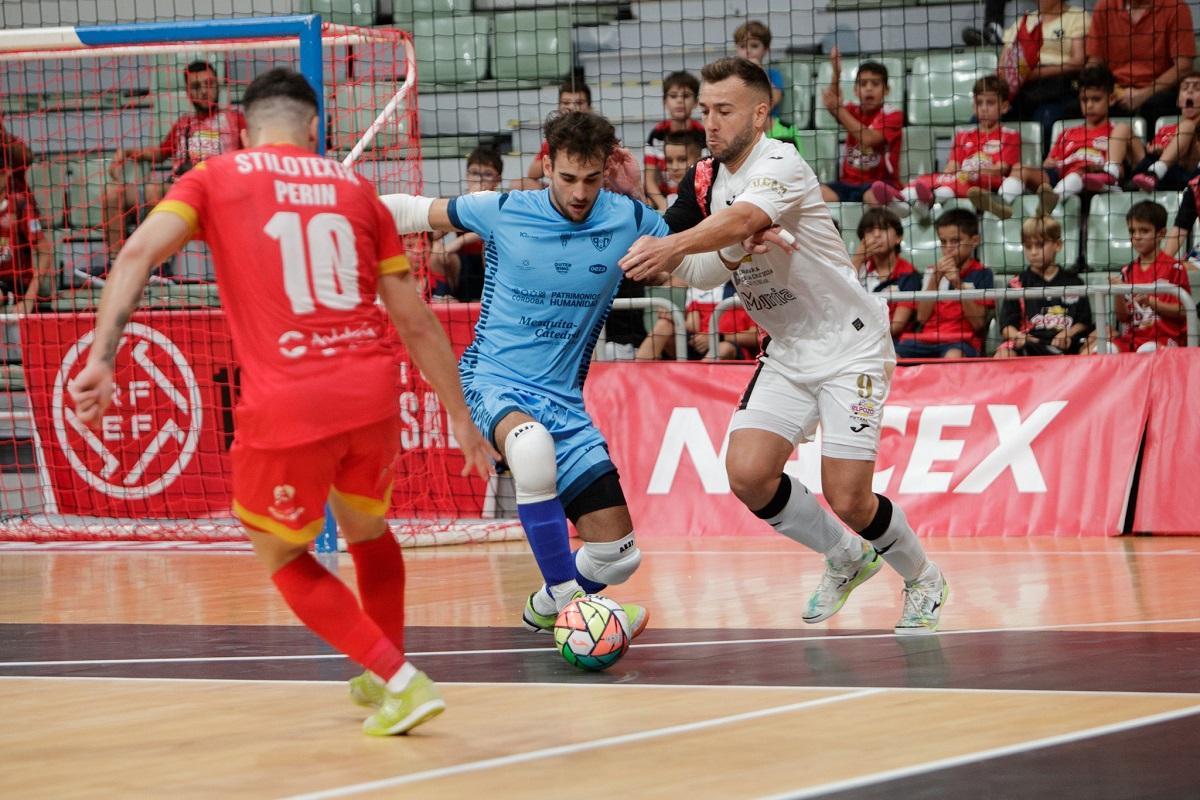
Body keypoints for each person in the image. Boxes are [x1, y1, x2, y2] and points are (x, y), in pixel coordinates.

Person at [68, 68, 496, 736]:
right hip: (373, 397)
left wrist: (101, 355)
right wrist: (464, 422)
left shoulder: (214, 176)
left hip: (289, 404)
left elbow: (135, 257)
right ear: (317, 128)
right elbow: (415, 320)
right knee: (369, 531)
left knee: (283, 555)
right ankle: (386, 673)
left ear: (240, 127)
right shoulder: (357, 190)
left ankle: (400, 680)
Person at [619, 57, 949, 635]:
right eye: (706, 112)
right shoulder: (703, 180)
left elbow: (744, 218)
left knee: (848, 496)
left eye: (724, 111)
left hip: (850, 347)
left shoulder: (781, 162)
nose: (711, 124)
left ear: (760, 112)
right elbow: (692, 263)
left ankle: (923, 578)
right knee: (748, 475)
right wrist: (632, 204)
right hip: (789, 348)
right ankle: (845, 557)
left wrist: (699, 244)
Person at [380, 110, 663, 638]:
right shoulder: (505, 207)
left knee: (619, 558)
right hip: (494, 382)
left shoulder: (626, 216)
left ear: (606, 172)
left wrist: (640, 198)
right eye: (568, 178)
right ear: (547, 166)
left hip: (566, 405)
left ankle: (546, 605)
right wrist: (333, 211)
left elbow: (687, 252)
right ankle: (570, 603)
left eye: (592, 180)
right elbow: (410, 210)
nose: (580, 193)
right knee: (531, 448)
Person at [103, 60, 245, 268]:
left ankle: (158, 266)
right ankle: (115, 265)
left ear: (218, 85)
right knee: (113, 196)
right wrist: (128, 153)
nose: (205, 91)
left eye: (209, 84)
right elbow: (160, 153)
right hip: (179, 188)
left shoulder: (235, 120)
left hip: (216, 192)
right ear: (188, 92)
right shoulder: (183, 124)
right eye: (197, 87)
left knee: (154, 192)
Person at [970, 64, 1132, 219]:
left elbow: (1121, 167)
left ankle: (1051, 203)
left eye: (1096, 100)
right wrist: (1050, 162)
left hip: (1089, 178)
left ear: (1111, 99)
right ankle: (1000, 203)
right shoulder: (1067, 133)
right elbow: (1051, 162)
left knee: (1079, 173)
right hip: (1061, 174)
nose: (1089, 105)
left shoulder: (1116, 132)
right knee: (1020, 169)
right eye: (1084, 100)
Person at [870, 76, 1020, 223]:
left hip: (987, 185)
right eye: (979, 103)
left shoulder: (1009, 136)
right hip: (961, 182)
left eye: (990, 103)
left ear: (1004, 106)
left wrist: (974, 172)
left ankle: (915, 204)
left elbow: (1002, 168)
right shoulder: (963, 136)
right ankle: (904, 204)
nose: (984, 108)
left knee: (946, 185)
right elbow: (952, 166)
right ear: (974, 106)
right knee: (939, 186)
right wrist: (953, 173)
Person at [895, 209, 995, 359]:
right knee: (891, 357)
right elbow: (921, 318)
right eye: (943, 242)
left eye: (955, 241)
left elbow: (978, 323)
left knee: (953, 356)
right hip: (927, 339)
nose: (948, 248)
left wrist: (958, 284)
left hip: (961, 340)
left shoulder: (983, 273)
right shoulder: (932, 272)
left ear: (974, 241)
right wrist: (936, 277)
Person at [997, 0, 1088, 157]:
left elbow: (1078, 62)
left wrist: (1037, 73)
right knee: (985, 115)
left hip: (1059, 87)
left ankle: (1046, 170)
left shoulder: (1078, 16)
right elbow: (1003, 65)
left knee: (1046, 118)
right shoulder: (1023, 21)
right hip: (1021, 87)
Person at [1085, 0, 1196, 130]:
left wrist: (1144, 94)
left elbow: (1184, 66)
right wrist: (1109, 91)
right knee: (1076, 108)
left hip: (1160, 91)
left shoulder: (1176, 7)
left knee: (1155, 106)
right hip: (1115, 90)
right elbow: (1095, 62)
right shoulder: (1104, 7)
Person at [995, 215, 1092, 357]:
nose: (1033, 252)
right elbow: (1006, 326)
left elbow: (1084, 322)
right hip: (1029, 343)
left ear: (1057, 245)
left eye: (1040, 245)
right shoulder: (1016, 284)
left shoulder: (1074, 282)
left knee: (1091, 351)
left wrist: (1068, 333)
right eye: (1028, 246)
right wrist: (1019, 337)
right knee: (1003, 355)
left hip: (1066, 344)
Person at [1103, 200, 1192, 352]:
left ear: (1161, 234)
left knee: (1147, 350)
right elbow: (1123, 317)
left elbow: (1184, 310)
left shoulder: (1174, 267)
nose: (1136, 236)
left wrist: (1149, 301)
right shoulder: (1127, 271)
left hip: (1166, 339)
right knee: (1105, 349)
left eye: (1144, 231)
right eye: (1132, 231)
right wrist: (1118, 293)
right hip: (1132, 339)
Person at [819, 51, 905, 205]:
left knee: (873, 196)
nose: (869, 88)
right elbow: (833, 103)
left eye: (875, 84)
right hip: (847, 184)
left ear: (887, 90)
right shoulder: (851, 111)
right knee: (816, 195)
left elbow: (869, 138)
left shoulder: (893, 115)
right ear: (855, 91)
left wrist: (838, 109)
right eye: (863, 84)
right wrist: (836, 75)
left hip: (879, 183)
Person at [428, 146, 503, 300]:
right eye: (475, 173)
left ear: (497, 180)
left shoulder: (502, 203)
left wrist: (462, 240)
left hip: (494, 263)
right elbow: (433, 237)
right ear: (467, 175)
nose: (480, 179)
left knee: (487, 250)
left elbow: (492, 230)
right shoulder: (458, 203)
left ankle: (491, 299)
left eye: (487, 174)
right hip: (464, 267)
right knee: (436, 250)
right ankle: (444, 297)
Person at [635, 280, 759, 361]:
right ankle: (635, 377)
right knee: (664, 325)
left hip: (734, 349)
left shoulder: (751, 288)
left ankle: (696, 385)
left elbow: (756, 337)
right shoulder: (700, 285)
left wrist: (717, 337)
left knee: (723, 348)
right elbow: (692, 325)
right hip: (699, 344)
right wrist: (674, 318)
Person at [850, 207, 920, 340]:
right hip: (858, 335)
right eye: (870, 231)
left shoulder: (909, 274)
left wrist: (865, 336)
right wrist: (858, 259)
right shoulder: (858, 268)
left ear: (898, 237)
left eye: (883, 229)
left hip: (893, 341)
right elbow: (843, 301)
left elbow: (897, 325)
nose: (876, 235)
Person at [513, 80, 593, 190]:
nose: (572, 107)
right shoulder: (555, 138)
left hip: (589, 188)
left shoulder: (598, 135)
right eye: (566, 103)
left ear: (589, 107)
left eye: (579, 103)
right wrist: (557, 155)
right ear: (559, 107)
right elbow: (532, 173)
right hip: (560, 189)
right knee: (518, 185)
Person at [644, 71, 705, 211]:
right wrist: (663, 205)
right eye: (673, 96)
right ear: (664, 101)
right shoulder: (656, 135)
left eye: (686, 96)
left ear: (696, 102)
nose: (679, 101)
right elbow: (649, 180)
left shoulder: (704, 135)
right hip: (664, 200)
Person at [1129, 73, 1200, 192]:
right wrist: (1155, 149)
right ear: (1178, 101)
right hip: (1155, 172)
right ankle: (1112, 176)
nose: (1190, 92)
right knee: (1123, 129)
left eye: (1197, 88)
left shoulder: (1192, 127)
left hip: (1184, 175)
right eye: (1185, 88)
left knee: (1188, 125)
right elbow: (1153, 149)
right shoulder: (1165, 129)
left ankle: (1156, 171)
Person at [0, 162, 54, 314]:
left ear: (7, 174)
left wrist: (29, 300)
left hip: (16, 284)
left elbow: (45, 253)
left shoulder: (21, 206)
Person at [733, 21, 784, 120]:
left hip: (769, 125)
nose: (748, 51)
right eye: (742, 46)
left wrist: (760, 72)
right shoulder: (733, 75)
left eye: (754, 46)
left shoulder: (773, 74)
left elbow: (772, 102)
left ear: (765, 50)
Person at [660, 129, 706, 208]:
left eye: (682, 160)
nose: (674, 167)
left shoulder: (708, 195)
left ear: (699, 161)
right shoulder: (671, 199)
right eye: (669, 161)